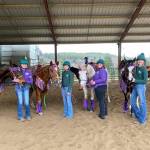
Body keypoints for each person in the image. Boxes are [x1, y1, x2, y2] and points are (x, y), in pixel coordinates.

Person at [131, 53, 148, 124]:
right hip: (135, 86)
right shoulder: (136, 68)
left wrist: (136, 80)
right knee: (132, 102)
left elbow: (145, 81)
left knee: (142, 103)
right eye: (138, 60)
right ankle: (139, 116)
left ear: (143, 61)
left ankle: (142, 120)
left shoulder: (144, 69)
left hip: (141, 87)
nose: (139, 61)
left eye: (141, 60)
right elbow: (134, 75)